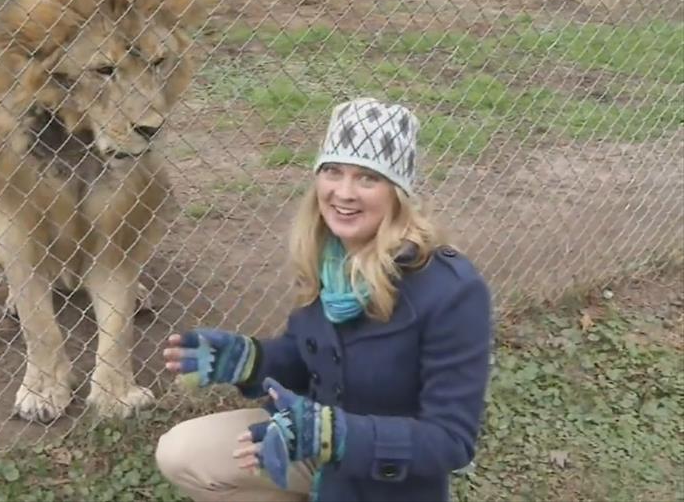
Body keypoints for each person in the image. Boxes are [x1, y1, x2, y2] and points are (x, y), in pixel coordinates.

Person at [155, 97, 494, 502]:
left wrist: (335, 435)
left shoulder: (451, 290)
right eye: (333, 171)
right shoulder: (329, 256)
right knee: (182, 451)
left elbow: (451, 441)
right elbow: (306, 359)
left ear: (398, 193)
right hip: (314, 448)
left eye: (368, 178)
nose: (343, 193)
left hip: (386, 483)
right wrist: (248, 360)